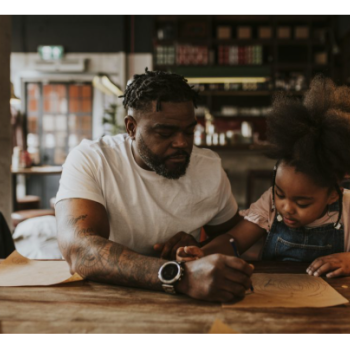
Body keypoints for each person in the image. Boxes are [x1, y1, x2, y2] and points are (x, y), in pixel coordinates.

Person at [177, 77, 350, 278]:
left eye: (302, 202)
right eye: (280, 193)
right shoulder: (271, 206)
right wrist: (203, 253)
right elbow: (234, 241)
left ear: (332, 193)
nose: (286, 208)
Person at [55, 68, 253, 303]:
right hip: (104, 296)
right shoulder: (93, 159)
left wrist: (198, 249)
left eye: (189, 131)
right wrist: (180, 276)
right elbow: (80, 250)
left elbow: (233, 238)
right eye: (165, 132)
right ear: (131, 128)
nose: (181, 143)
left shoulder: (208, 168)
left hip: (182, 302)